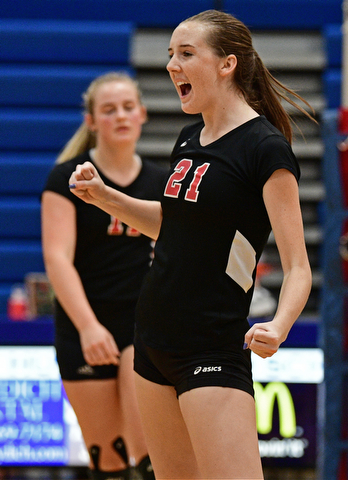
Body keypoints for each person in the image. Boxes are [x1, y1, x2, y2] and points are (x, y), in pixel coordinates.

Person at [67, 10, 313, 480]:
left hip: (212, 346)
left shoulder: (264, 148)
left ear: (227, 64)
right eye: (169, 56)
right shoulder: (188, 138)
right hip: (153, 340)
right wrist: (103, 196)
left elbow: (298, 264)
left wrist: (279, 325)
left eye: (186, 54)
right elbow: (174, 225)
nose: (171, 65)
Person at [41, 72, 167, 480]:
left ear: (143, 114)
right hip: (85, 322)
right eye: (109, 110)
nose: (121, 116)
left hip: (141, 321)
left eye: (128, 107)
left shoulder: (161, 181)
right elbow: (57, 258)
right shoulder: (67, 178)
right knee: (106, 457)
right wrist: (89, 327)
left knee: (147, 453)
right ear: (92, 120)